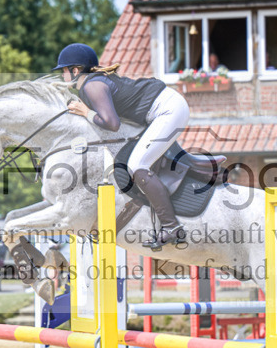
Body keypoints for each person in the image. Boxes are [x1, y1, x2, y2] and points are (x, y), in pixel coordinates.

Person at [56, 42, 189, 250]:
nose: (62, 76)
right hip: (162, 109)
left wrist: (86, 112)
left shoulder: (92, 86)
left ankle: (171, 226)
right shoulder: (91, 85)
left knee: (137, 165)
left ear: (75, 70)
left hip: (168, 110)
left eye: (64, 71)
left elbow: (112, 124)